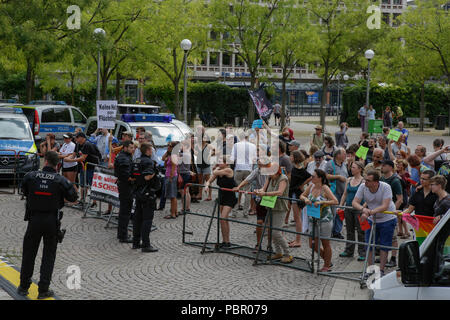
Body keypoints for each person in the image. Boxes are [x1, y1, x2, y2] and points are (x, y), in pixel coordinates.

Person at [17, 151, 78, 299]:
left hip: (34, 219)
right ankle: (43, 290)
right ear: (58, 164)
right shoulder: (60, 180)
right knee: (48, 256)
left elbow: (23, 189)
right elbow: (74, 197)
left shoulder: (31, 176)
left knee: (29, 253)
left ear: (45, 161)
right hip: (51, 221)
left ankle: (23, 287)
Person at [352, 170, 397, 277]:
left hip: (387, 218)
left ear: (376, 182)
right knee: (369, 244)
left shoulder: (385, 187)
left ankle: (381, 270)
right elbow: (355, 202)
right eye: (365, 179)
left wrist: (370, 212)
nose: (365, 182)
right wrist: (363, 210)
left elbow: (385, 206)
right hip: (372, 219)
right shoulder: (363, 187)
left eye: (368, 180)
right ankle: (370, 270)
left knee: (384, 245)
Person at [300, 169, 338, 272]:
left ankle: (326, 265)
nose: (311, 178)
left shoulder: (325, 188)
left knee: (325, 243)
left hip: (325, 219)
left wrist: (322, 203)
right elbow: (302, 195)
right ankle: (327, 260)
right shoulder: (311, 186)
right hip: (313, 219)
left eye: (313, 176)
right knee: (312, 244)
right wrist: (305, 199)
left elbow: (335, 201)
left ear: (320, 178)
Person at [254, 162, 293, 263]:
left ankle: (288, 253)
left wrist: (265, 193)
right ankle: (278, 252)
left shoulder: (283, 178)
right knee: (271, 231)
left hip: (280, 207)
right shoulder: (270, 178)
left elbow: (280, 192)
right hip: (270, 205)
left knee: (276, 232)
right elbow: (264, 188)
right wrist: (259, 191)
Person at [233, 157, 270, 249]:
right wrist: (239, 186)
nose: (259, 166)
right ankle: (258, 244)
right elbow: (247, 179)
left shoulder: (271, 172)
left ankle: (270, 245)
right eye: (258, 164)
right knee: (259, 221)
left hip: (270, 198)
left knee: (270, 223)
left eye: (261, 165)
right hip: (261, 198)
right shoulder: (257, 170)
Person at [205, 156, 238, 248]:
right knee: (223, 220)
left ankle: (227, 241)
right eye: (218, 160)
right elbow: (210, 180)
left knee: (223, 218)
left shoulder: (228, 170)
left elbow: (215, 172)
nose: (218, 162)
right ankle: (225, 241)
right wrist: (207, 185)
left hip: (230, 196)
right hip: (222, 196)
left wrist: (215, 169)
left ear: (226, 163)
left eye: (220, 161)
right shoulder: (218, 170)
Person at [132, 142, 159, 252]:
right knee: (147, 219)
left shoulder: (136, 160)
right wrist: (155, 172)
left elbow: (132, 176)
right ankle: (146, 245)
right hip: (147, 193)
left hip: (138, 191)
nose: (152, 151)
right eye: (151, 149)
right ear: (148, 151)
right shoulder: (149, 162)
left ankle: (136, 242)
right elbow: (147, 177)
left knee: (137, 218)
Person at [339, 161, 366, 261]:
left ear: (360, 169)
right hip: (348, 208)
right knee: (349, 230)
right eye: (352, 167)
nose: (351, 169)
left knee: (361, 231)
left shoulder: (363, 182)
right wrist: (341, 205)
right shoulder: (349, 179)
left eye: (354, 167)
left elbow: (366, 197)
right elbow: (345, 194)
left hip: (358, 209)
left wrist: (363, 208)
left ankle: (362, 252)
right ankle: (349, 250)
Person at [64, 132, 101, 206]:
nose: (75, 139)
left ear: (82, 137)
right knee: (82, 184)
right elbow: (73, 155)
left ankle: (94, 202)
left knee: (91, 184)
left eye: (77, 137)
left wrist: (70, 160)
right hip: (83, 167)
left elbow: (83, 157)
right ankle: (82, 200)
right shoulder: (77, 144)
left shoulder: (87, 144)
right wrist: (67, 158)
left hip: (91, 167)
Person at [380, 160, 403, 267]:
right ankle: (383, 256)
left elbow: (400, 199)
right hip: (382, 212)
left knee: (393, 237)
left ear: (390, 167)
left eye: (384, 165)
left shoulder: (395, 181)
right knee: (383, 236)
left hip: (390, 213)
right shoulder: (381, 179)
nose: (382, 167)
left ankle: (393, 258)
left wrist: (392, 212)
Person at [230, 131, 257, 217]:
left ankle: (234, 211)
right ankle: (245, 212)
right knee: (247, 191)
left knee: (236, 190)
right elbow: (254, 159)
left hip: (239, 169)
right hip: (248, 169)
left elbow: (232, 159)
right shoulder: (253, 146)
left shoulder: (236, 145)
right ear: (247, 137)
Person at [288, 150, 312, 247]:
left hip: (296, 194)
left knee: (297, 218)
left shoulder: (299, 169)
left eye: (291, 156)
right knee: (297, 218)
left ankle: (298, 240)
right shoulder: (295, 168)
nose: (290, 157)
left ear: (295, 158)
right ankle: (297, 239)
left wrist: (302, 185)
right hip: (294, 193)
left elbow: (310, 177)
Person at [113, 140, 135, 243]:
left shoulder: (124, 156)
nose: (133, 149)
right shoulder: (123, 158)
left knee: (124, 211)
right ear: (125, 147)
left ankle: (121, 234)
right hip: (125, 186)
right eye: (131, 148)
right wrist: (135, 179)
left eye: (133, 147)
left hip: (124, 185)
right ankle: (123, 236)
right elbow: (126, 175)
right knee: (125, 212)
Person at [325, 148, 348, 239]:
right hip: (334, 192)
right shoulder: (330, 164)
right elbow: (325, 176)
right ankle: (329, 231)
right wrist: (338, 177)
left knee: (340, 212)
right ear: (338, 155)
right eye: (344, 154)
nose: (346, 155)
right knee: (332, 212)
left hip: (343, 193)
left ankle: (337, 231)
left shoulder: (344, 164)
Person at [194, 127, 215, 202]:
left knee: (208, 181)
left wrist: (210, 155)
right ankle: (200, 194)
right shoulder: (197, 145)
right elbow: (194, 152)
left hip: (206, 166)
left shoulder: (207, 145)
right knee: (200, 181)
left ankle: (209, 195)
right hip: (199, 165)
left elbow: (214, 150)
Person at [162, 141, 180, 219]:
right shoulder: (171, 154)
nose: (168, 147)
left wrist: (170, 178)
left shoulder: (173, 156)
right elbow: (163, 159)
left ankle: (172, 213)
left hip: (170, 176)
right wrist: (167, 152)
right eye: (168, 145)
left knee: (172, 196)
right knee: (173, 196)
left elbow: (173, 168)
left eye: (170, 146)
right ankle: (175, 212)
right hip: (169, 175)